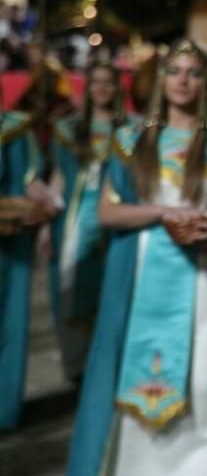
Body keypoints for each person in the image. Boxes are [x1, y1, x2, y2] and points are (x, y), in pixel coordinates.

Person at [67, 39, 207, 476]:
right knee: (125, 380)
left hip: (205, 288)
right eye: (174, 72)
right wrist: (163, 212)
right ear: (160, 80)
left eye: (194, 73)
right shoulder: (130, 140)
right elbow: (108, 212)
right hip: (138, 285)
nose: (183, 81)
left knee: (201, 384)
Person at [48, 61, 131, 383]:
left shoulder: (132, 129)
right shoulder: (67, 129)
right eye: (95, 82)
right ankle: (79, 367)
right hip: (76, 221)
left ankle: (113, 362)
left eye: (108, 83)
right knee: (73, 288)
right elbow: (58, 175)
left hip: (117, 222)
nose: (101, 89)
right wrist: (45, 223)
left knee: (114, 289)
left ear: (116, 88)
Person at [0, 104, 59, 430]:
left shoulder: (15, 128)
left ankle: (3, 405)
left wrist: (45, 206)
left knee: (8, 317)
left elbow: (30, 181)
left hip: (7, 245)